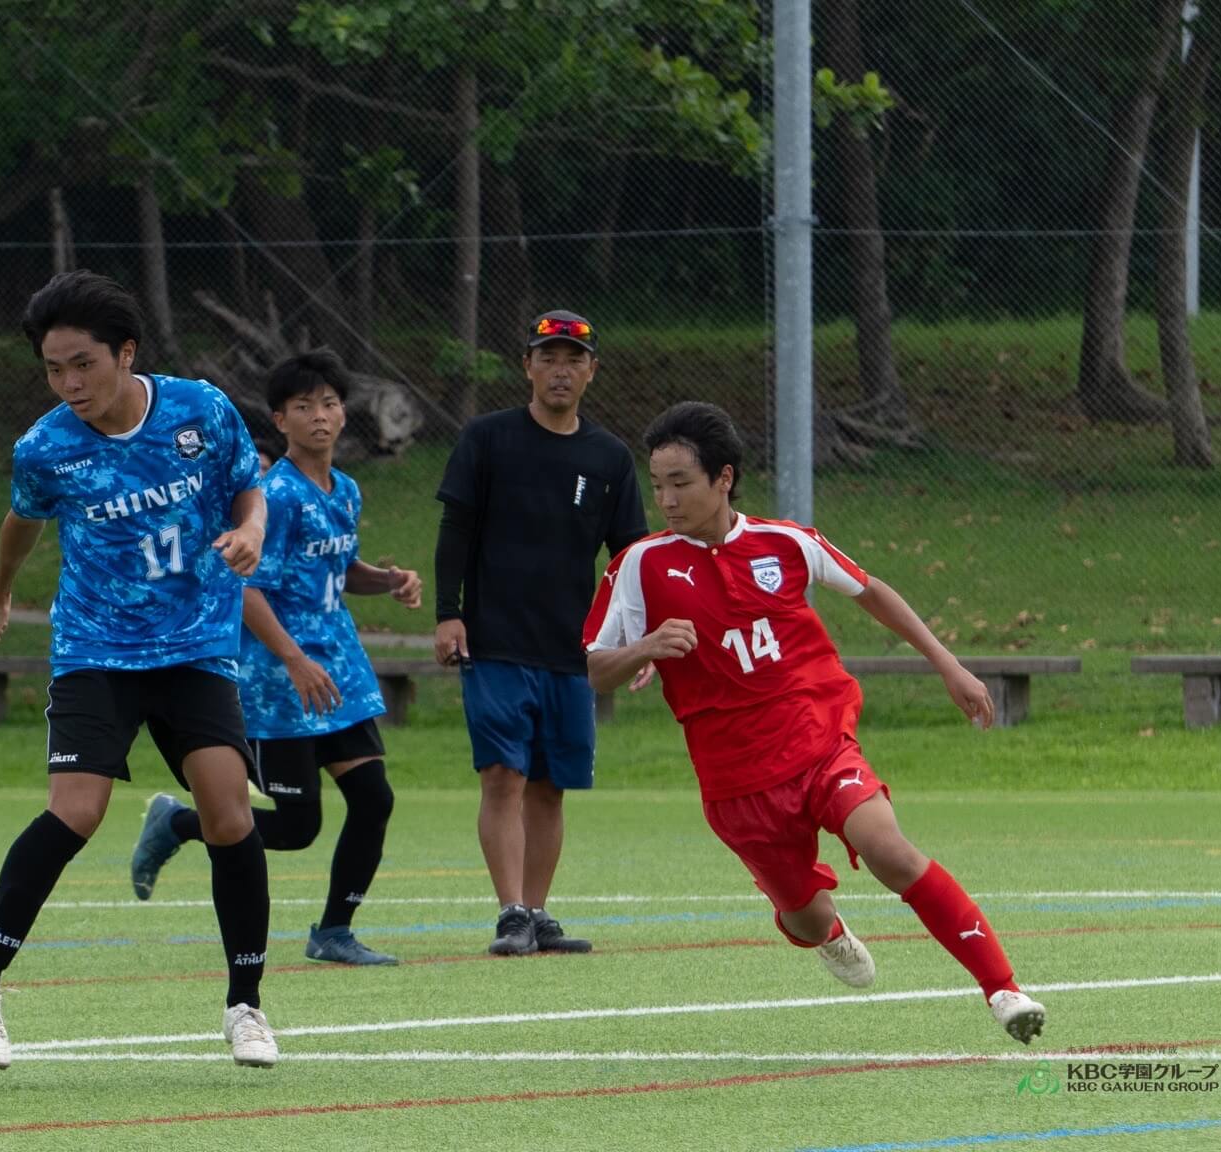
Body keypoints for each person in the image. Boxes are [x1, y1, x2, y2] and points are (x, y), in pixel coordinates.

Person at [583, 401, 1047, 1044]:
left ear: (723, 478)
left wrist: (949, 665)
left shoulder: (786, 542)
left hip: (817, 739)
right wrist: (645, 648)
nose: (665, 499)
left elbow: (871, 591)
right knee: (803, 917)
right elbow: (594, 669)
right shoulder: (640, 565)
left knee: (890, 850)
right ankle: (825, 931)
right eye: (657, 484)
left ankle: (1003, 990)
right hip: (736, 780)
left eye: (680, 482)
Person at [0, 270, 279, 1070]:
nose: (69, 384)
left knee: (230, 816)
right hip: (96, 649)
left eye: (83, 364)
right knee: (77, 812)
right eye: (53, 369)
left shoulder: (200, 410)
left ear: (126, 353)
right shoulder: (46, 448)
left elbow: (249, 491)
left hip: (196, 644)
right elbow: (21, 521)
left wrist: (251, 533)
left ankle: (246, 1006)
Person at [130, 350, 422, 967]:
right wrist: (292, 659)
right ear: (280, 420)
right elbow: (246, 588)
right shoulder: (275, 495)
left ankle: (333, 932)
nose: (320, 416)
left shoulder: (345, 489)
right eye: (303, 406)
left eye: (330, 403)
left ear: (345, 414)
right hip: (278, 685)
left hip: (337, 673)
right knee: (295, 827)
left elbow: (338, 568)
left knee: (374, 798)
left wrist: (388, 580)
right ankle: (178, 823)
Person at [434, 310, 647, 955]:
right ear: (527, 365)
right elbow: (456, 529)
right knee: (504, 774)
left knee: (551, 786)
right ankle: (510, 913)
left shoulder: (609, 457)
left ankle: (537, 911)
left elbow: (629, 558)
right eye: (548, 358)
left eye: (573, 360)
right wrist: (448, 612)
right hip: (495, 640)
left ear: (592, 371)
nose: (560, 370)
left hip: (571, 649)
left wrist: (635, 639)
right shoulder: (488, 438)